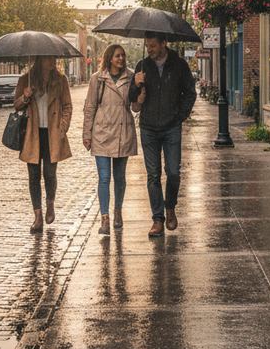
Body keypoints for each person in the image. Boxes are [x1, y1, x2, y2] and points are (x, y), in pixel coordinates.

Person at [129, 34, 196, 237]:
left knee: (173, 171)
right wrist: (136, 84)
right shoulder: (142, 65)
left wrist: (180, 116)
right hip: (148, 127)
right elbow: (132, 99)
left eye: (153, 45)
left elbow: (190, 93)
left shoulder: (179, 65)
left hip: (171, 127)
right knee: (153, 175)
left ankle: (170, 207)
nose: (149, 49)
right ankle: (158, 219)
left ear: (163, 44)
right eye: (147, 46)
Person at [82, 44, 138, 235]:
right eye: (117, 56)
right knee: (104, 178)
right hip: (102, 134)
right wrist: (86, 134)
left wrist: (140, 87)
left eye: (123, 55)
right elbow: (89, 107)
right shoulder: (97, 79)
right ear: (109, 58)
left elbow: (137, 107)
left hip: (123, 132)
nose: (121, 59)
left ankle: (118, 211)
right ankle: (104, 218)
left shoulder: (131, 77)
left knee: (120, 178)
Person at [13, 55, 73, 233]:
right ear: (40, 60)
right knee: (33, 175)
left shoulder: (60, 80)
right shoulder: (26, 80)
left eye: (54, 58)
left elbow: (68, 106)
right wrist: (25, 97)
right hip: (32, 134)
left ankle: (50, 204)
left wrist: (63, 127)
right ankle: (37, 216)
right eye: (48, 59)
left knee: (50, 173)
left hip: (52, 133)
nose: (53, 62)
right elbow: (16, 105)